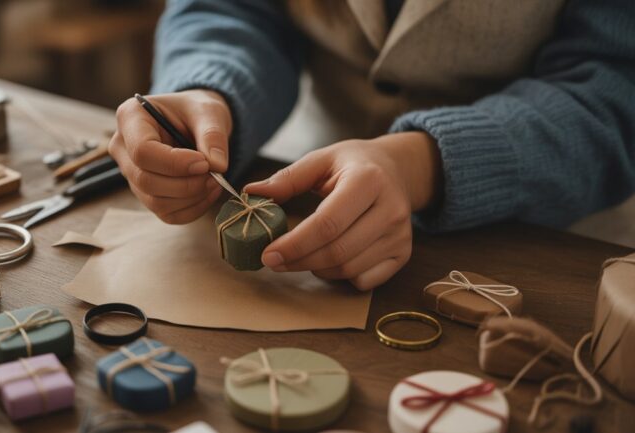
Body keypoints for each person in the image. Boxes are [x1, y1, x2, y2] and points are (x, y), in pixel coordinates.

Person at [109, 0, 635, 290]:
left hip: (557, 240)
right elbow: (233, 9)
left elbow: (616, 82)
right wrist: (210, 88)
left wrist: (420, 164)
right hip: (313, 183)